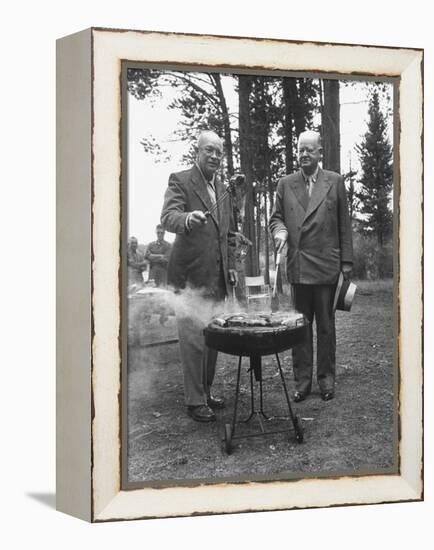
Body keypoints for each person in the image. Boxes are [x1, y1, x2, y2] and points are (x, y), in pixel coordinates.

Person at [269, 130, 353, 402]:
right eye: (300, 150)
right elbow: (276, 219)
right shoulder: (285, 183)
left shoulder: (335, 181)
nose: (304, 154)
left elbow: (344, 224)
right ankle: (302, 382)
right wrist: (280, 233)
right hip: (299, 267)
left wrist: (347, 263)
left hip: (326, 268)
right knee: (300, 327)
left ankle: (326, 380)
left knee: (326, 328)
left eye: (309, 150)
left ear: (320, 153)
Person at [160, 130, 238, 422]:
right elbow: (168, 217)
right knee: (193, 340)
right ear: (197, 152)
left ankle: (205, 392)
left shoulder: (223, 190)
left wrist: (231, 265)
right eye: (209, 150)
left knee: (213, 338)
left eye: (219, 152)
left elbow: (229, 234)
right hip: (189, 278)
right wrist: (186, 219)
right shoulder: (179, 180)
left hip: (217, 278)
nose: (215, 157)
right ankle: (194, 402)